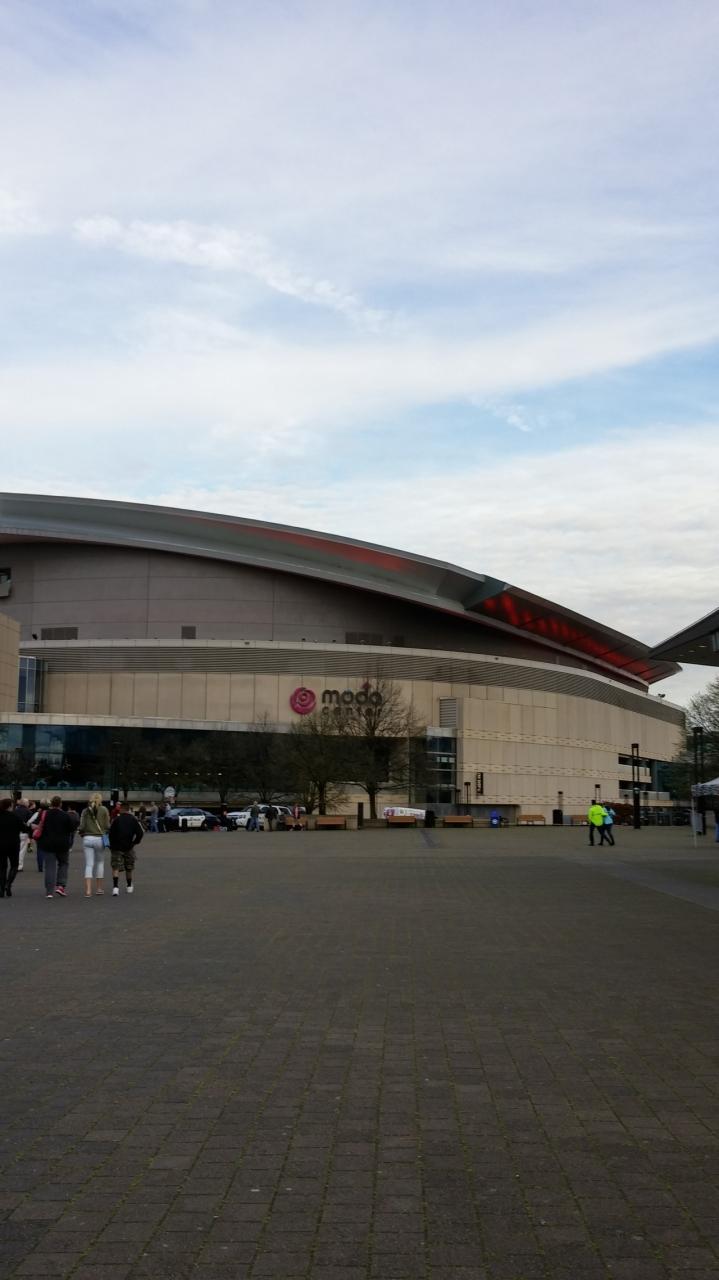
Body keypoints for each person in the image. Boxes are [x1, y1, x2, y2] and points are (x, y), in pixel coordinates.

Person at [35, 796, 75, 897]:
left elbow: (38, 826)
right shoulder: (65, 815)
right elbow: (71, 829)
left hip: (48, 843)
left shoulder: (44, 814)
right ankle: (61, 886)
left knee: (49, 866)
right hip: (62, 844)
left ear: (51, 804)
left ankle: (49, 891)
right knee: (63, 864)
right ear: (60, 804)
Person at [108, 802, 144, 895]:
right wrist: (135, 842)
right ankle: (129, 885)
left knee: (115, 867)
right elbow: (140, 833)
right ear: (128, 809)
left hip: (117, 847)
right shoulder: (133, 820)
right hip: (128, 846)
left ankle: (115, 887)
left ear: (121, 809)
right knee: (129, 867)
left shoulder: (116, 820)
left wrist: (111, 845)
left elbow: (111, 834)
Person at [79, 792, 111, 897]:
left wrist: (82, 832)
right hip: (99, 838)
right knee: (100, 863)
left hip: (87, 838)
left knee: (89, 864)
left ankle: (88, 890)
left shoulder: (85, 811)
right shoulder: (104, 810)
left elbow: (82, 826)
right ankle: (99, 888)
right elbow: (107, 825)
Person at [0, 798, 25, 897]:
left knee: (2, 867)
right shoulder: (15, 816)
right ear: (10, 806)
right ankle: (8, 884)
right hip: (13, 844)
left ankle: (1, 889)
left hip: (1, 844)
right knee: (14, 865)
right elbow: (24, 828)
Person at [13, 796, 31, 872]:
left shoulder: (15, 811)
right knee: (22, 850)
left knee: (16, 849)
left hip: (14, 833)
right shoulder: (28, 812)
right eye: (28, 802)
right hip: (24, 833)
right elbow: (30, 823)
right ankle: (19, 866)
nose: (28, 804)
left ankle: (14, 864)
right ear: (25, 803)